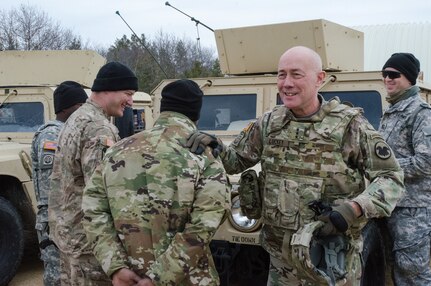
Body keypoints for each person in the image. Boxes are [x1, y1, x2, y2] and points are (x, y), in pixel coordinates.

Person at [187, 46, 405, 285]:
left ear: (319, 79)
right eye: (281, 74)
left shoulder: (349, 126)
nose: (286, 83)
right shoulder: (270, 123)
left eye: (296, 74)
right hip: (281, 263)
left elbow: (391, 177)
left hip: (329, 261)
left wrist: (354, 208)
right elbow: (234, 162)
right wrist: (214, 146)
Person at [81, 79, 230, 286]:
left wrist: (116, 266)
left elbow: (92, 211)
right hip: (187, 278)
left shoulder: (116, 150)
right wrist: (158, 278)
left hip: (129, 277)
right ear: (196, 113)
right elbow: (204, 225)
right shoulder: (204, 156)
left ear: (162, 109)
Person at [48, 61, 138, 285]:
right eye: (127, 93)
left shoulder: (76, 119)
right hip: (89, 245)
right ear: (108, 89)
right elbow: (103, 194)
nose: (131, 101)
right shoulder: (98, 128)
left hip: (68, 235)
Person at [379, 53, 431, 285]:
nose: (387, 79)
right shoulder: (392, 111)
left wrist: (385, 168)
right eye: (384, 74)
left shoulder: (421, 113)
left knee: (412, 272)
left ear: (409, 78)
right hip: (389, 203)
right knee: (391, 268)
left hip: (413, 208)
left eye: (394, 75)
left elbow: (426, 162)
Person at [31, 80, 87, 285]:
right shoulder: (52, 134)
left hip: (65, 219)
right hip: (55, 220)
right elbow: (50, 186)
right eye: (81, 107)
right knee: (57, 277)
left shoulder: (67, 132)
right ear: (70, 107)